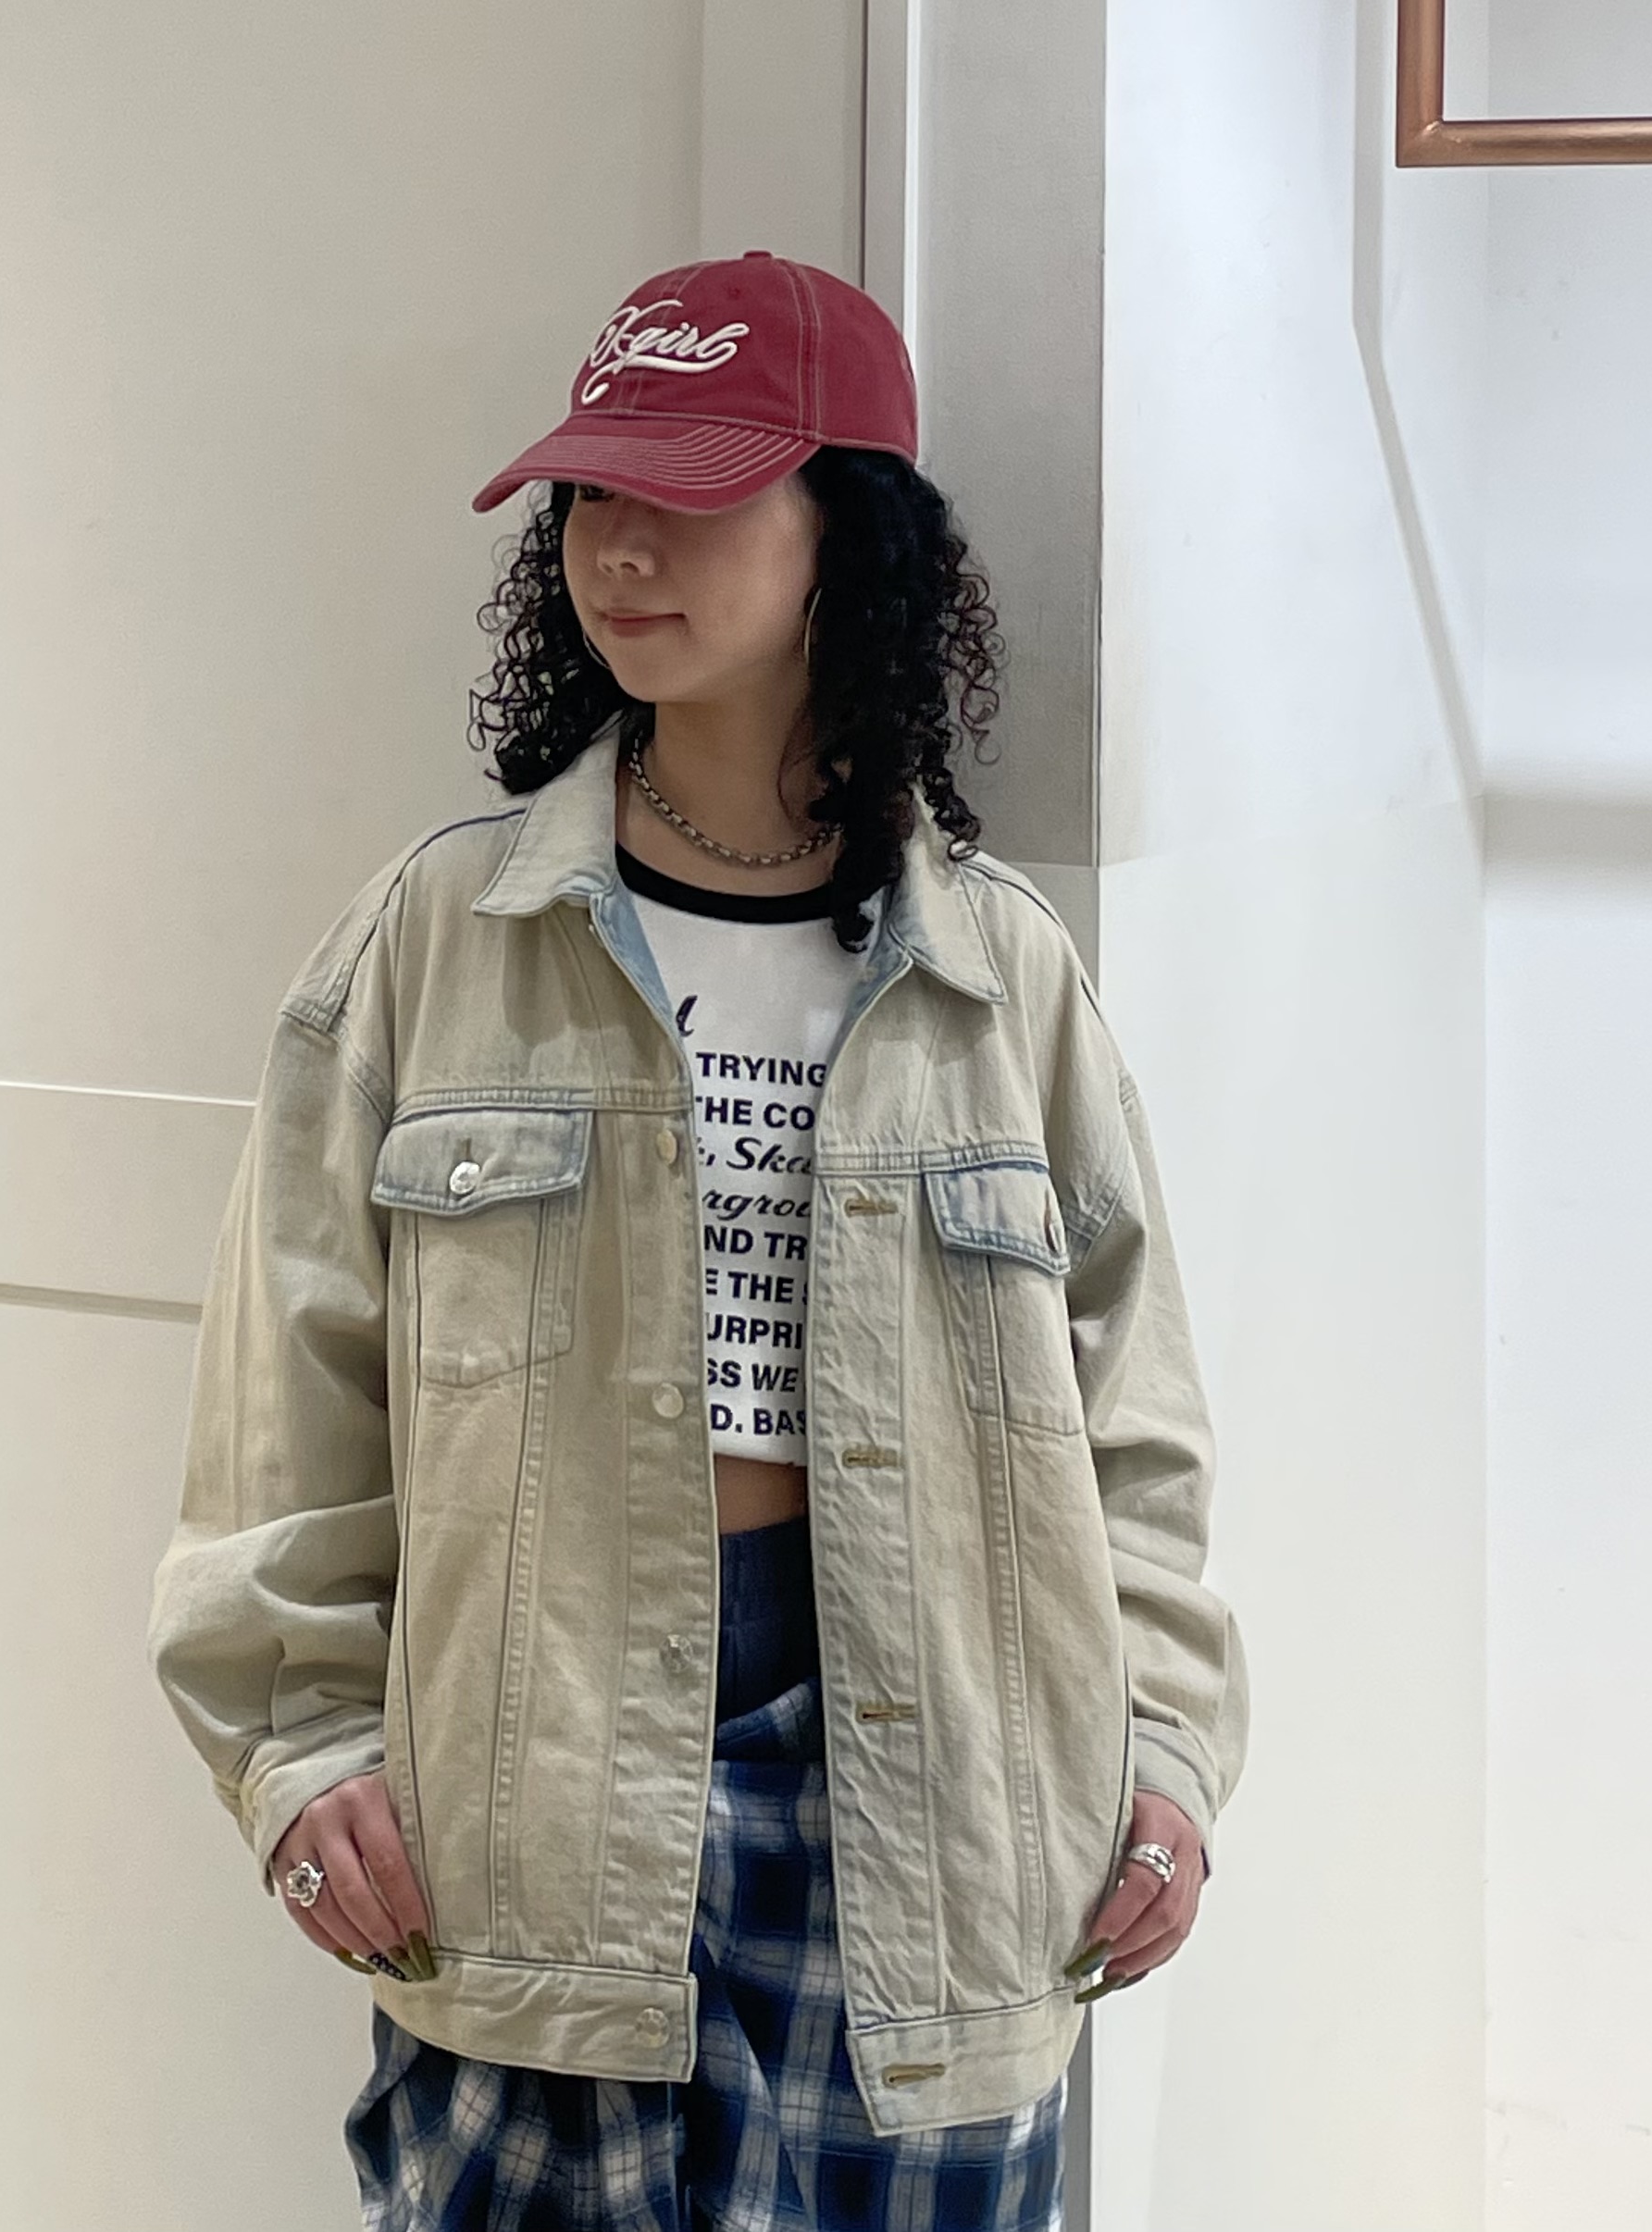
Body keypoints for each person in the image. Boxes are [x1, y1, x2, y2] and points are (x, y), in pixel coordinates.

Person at [148, 250, 1250, 2232]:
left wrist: (1164, 1749)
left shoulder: (1002, 977)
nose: (620, 545)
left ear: (853, 533)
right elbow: (283, 1397)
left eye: (695, 491)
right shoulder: (437, 941)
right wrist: (300, 1748)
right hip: (538, 1796)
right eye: (592, 492)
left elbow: (1134, 1429)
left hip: (942, 1808)